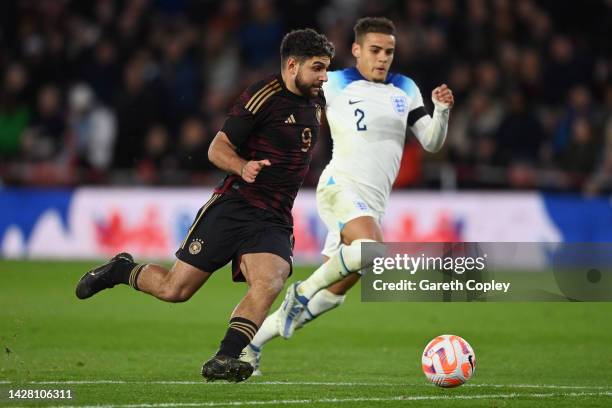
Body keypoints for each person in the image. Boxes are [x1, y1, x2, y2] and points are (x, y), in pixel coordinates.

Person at [75, 28, 334, 383]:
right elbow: (217, 148)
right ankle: (122, 270)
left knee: (271, 279)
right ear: (292, 65)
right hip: (234, 205)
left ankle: (225, 357)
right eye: (317, 68)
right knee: (174, 290)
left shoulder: (318, 101)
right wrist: (243, 166)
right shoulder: (262, 96)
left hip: (274, 216)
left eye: (326, 69)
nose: (323, 76)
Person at [241, 17, 454, 374]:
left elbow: (431, 140)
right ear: (356, 50)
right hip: (339, 187)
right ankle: (299, 293)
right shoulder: (334, 82)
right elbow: (291, 97)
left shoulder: (406, 87)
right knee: (371, 250)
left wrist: (442, 111)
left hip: (371, 205)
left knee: (332, 294)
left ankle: (251, 346)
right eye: (374, 50)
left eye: (388, 51)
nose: (382, 58)